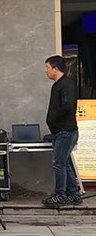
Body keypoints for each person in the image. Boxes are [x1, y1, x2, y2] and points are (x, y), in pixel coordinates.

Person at [44, 56, 82, 207]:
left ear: (55, 68)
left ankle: (60, 195)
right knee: (64, 163)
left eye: (47, 67)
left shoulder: (66, 84)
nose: (46, 71)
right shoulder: (57, 85)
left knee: (59, 163)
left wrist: (54, 119)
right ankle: (73, 194)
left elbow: (68, 106)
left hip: (66, 131)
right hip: (60, 131)